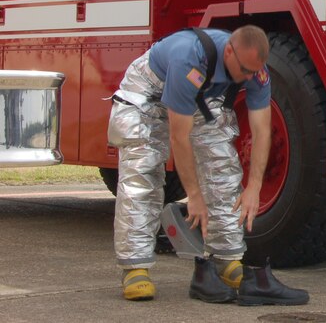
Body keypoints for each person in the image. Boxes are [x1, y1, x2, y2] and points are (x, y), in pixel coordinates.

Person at [107, 25, 307, 305]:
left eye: (255, 71)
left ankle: (228, 261)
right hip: (148, 95)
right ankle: (135, 268)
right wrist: (195, 197)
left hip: (201, 96)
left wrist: (255, 187)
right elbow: (179, 137)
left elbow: (262, 131)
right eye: (245, 71)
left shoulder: (255, 72)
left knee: (222, 169)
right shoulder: (188, 59)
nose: (250, 78)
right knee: (144, 174)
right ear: (229, 52)